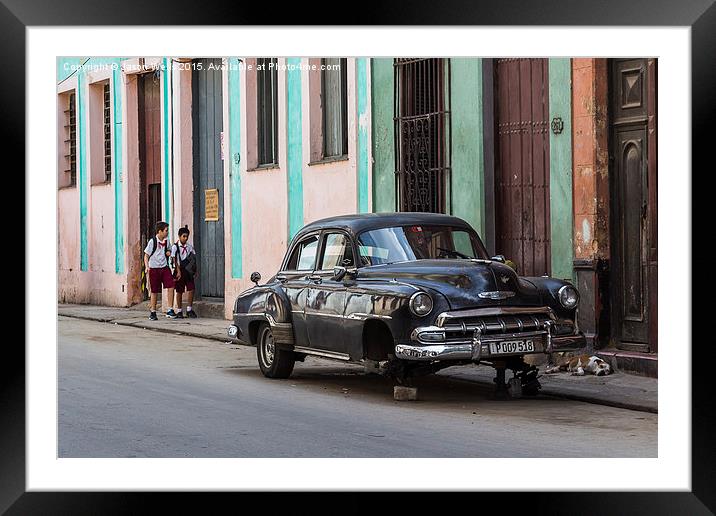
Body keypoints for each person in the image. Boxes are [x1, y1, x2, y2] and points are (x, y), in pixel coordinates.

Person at [143, 221, 178, 320]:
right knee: (154, 291)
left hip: (164, 267)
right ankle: (153, 311)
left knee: (171, 286)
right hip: (154, 268)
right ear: (160, 231)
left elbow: (169, 250)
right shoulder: (152, 242)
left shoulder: (167, 241)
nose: (167, 232)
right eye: (166, 230)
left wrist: (168, 252)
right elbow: (146, 255)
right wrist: (147, 267)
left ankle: (170, 309)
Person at [171, 225, 198, 319]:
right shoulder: (175, 247)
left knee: (191, 288)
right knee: (179, 290)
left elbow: (193, 258)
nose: (185, 238)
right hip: (180, 270)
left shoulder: (189, 247)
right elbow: (174, 260)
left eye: (187, 236)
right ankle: (179, 310)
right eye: (184, 236)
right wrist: (178, 271)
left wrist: (194, 270)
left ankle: (189, 309)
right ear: (179, 236)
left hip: (188, 271)